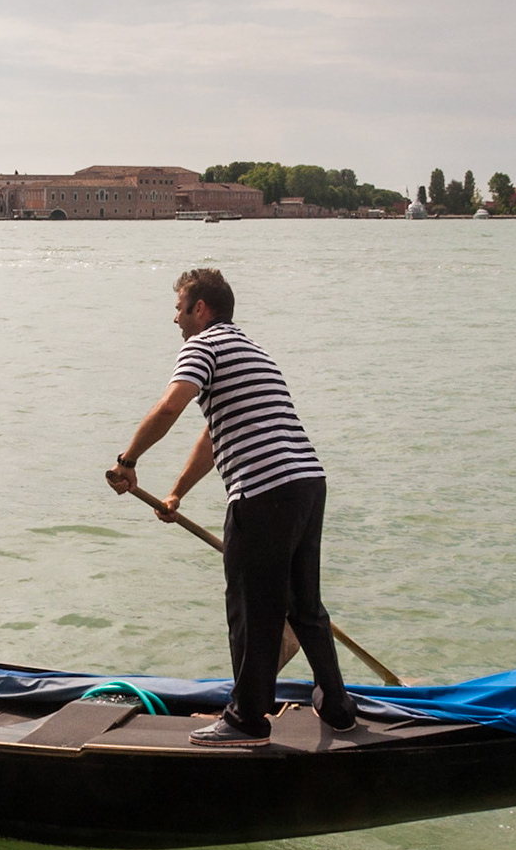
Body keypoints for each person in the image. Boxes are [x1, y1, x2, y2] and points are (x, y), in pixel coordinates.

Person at [107, 268, 357, 747]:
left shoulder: (202, 345)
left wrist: (128, 460)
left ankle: (246, 719)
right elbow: (212, 433)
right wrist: (177, 491)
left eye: (180, 308)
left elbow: (168, 408)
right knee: (304, 605)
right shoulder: (249, 349)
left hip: (262, 491)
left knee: (251, 606)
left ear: (201, 309)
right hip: (306, 482)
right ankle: (339, 706)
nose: (175, 318)